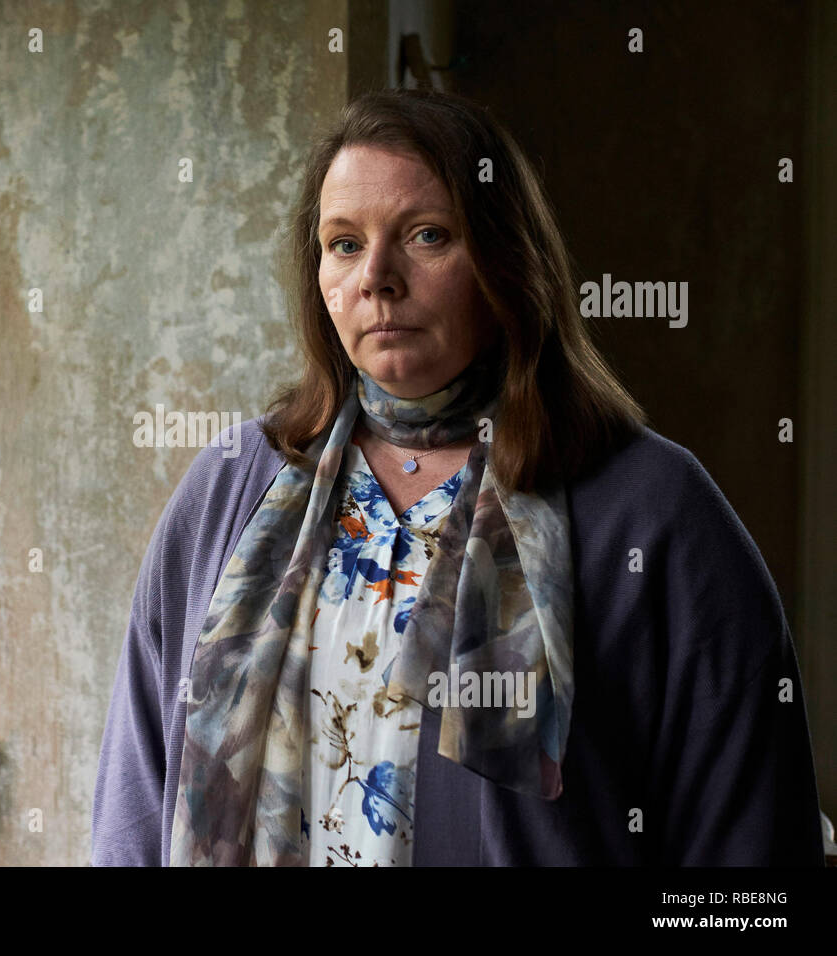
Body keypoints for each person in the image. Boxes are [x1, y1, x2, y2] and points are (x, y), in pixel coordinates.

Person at [90, 87, 825, 866]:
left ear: (506, 260)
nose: (376, 276)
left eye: (427, 235)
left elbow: (753, 867)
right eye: (343, 243)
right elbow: (133, 804)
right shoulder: (229, 487)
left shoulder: (653, 514)